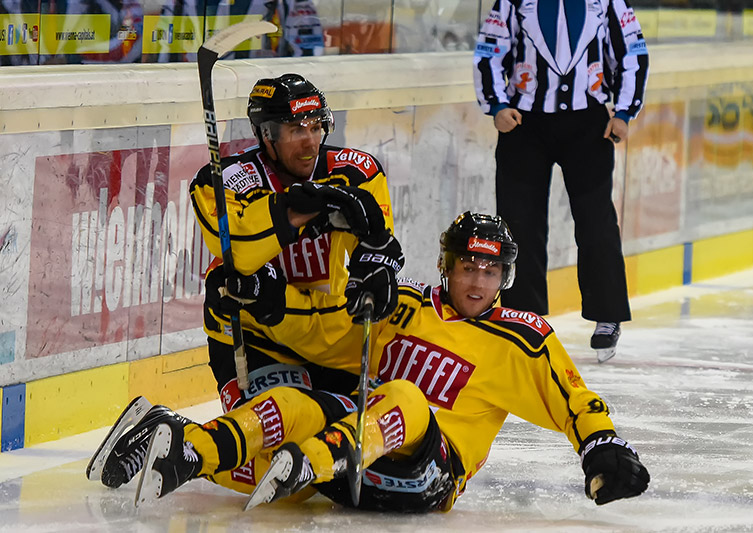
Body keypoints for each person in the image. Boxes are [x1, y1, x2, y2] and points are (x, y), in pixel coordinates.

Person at [123, 211, 649, 512]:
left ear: (505, 278)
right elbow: (326, 334)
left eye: (490, 272)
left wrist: (600, 445)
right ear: (447, 265)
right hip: (355, 456)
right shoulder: (403, 303)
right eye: (468, 266)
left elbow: (574, 399)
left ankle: (316, 459)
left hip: (427, 477)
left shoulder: (523, 338)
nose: (476, 281)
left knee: (404, 396)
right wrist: (266, 302)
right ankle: (189, 448)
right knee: (292, 403)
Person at [86, 73, 403, 495]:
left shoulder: (355, 170)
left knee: (324, 462)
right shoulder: (224, 181)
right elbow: (238, 251)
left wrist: (376, 268)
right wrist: (301, 208)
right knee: (285, 473)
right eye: (295, 130)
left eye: (316, 127)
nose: (310, 142)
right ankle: (170, 437)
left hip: (328, 340)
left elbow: (379, 241)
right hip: (255, 336)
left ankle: (177, 434)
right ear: (266, 135)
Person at [472, 0, 650, 363]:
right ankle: (524, 316)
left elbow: (632, 51)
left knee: (596, 219)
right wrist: (496, 104)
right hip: (524, 123)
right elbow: (490, 48)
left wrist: (625, 111)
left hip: (590, 125)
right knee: (519, 221)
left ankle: (607, 314)